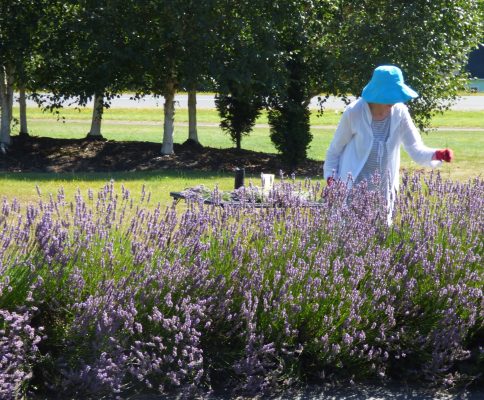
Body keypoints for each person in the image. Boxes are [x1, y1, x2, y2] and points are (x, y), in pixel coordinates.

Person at [323, 65, 453, 220]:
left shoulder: (400, 112)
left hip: (383, 192)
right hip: (353, 190)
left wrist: (437, 154)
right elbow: (334, 151)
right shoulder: (354, 112)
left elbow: (415, 149)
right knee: (350, 236)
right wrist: (332, 181)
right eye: (390, 96)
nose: (394, 100)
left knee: (381, 237)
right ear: (377, 94)